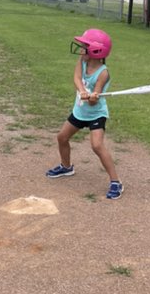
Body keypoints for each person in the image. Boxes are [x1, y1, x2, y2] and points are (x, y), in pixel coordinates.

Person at [45, 28, 124, 199]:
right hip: (80, 110)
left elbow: (95, 99)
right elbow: (77, 77)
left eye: (85, 46)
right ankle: (66, 167)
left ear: (96, 51)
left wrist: (93, 96)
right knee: (62, 137)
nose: (81, 49)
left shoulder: (103, 72)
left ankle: (116, 182)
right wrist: (82, 90)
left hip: (96, 114)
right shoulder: (82, 61)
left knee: (96, 145)